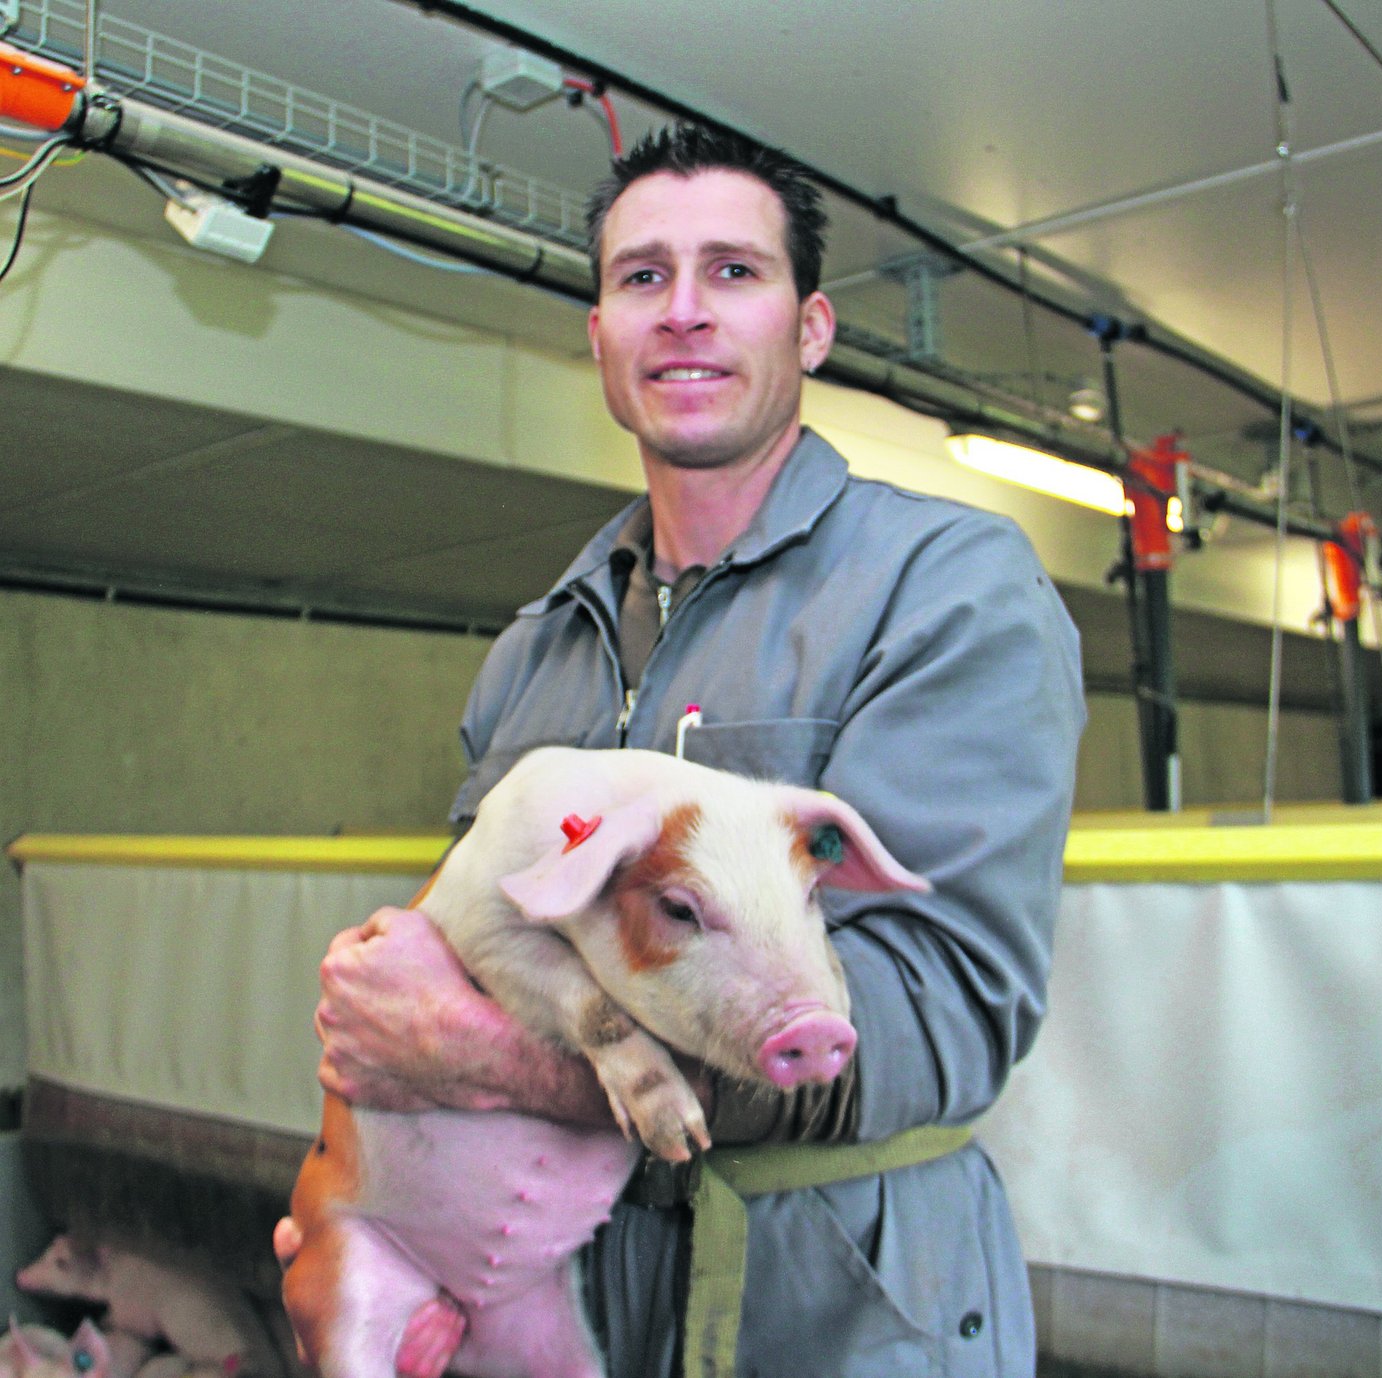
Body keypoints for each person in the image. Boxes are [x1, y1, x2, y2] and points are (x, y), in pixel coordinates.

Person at [278, 123, 1085, 1377]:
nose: (684, 314)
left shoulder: (945, 587)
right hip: (569, 1294)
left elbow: (941, 1015)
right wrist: (380, 1220)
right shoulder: (538, 647)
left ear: (809, 329)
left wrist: (492, 1062)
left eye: (734, 272)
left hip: (839, 1309)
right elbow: (474, 953)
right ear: (596, 334)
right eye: (641, 278)